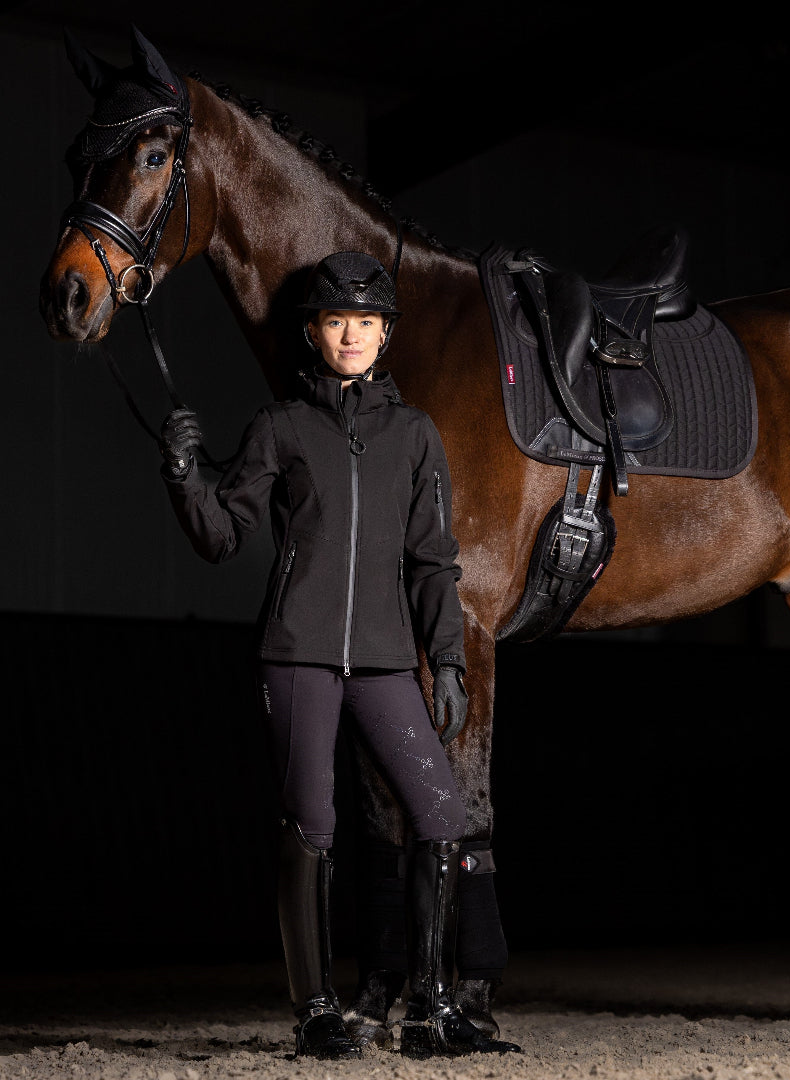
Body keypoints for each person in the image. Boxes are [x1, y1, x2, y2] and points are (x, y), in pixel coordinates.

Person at [157, 252, 520, 1060]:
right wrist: (184, 477)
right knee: (312, 824)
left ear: (386, 334)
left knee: (442, 815)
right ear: (313, 332)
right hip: (298, 657)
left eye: (366, 321)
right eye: (334, 320)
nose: (350, 334)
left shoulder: (416, 435)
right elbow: (223, 536)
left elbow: (434, 561)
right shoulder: (280, 427)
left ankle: (430, 1008)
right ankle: (315, 1009)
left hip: (387, 662)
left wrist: (448, 661)